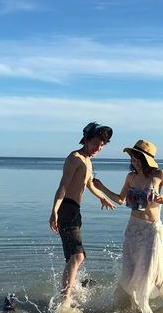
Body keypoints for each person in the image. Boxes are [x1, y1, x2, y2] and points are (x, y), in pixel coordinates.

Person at [94, 139, 163, 313]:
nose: (135, 163)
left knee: (151, 273)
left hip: (151, 231)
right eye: (133, 159)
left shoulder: (159, 175)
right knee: (130, 271)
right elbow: (121, 199)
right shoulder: (131, 177)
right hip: (133, 229)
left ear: (147, 160)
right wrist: (101, 187)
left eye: (139, 159)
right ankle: (129, 309)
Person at [49, 122, 116, 300]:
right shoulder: (75, 158)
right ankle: (65, 300)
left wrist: (102, 197)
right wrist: (54, 211)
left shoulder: (87, 161)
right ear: (86, 139)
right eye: (96, 143)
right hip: (66, 209)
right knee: (78, 256)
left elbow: (89, 184)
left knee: (72, 257)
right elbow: (63, 186)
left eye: (102, 145)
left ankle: (69, 293)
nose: (98, 148)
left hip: (74, 210)